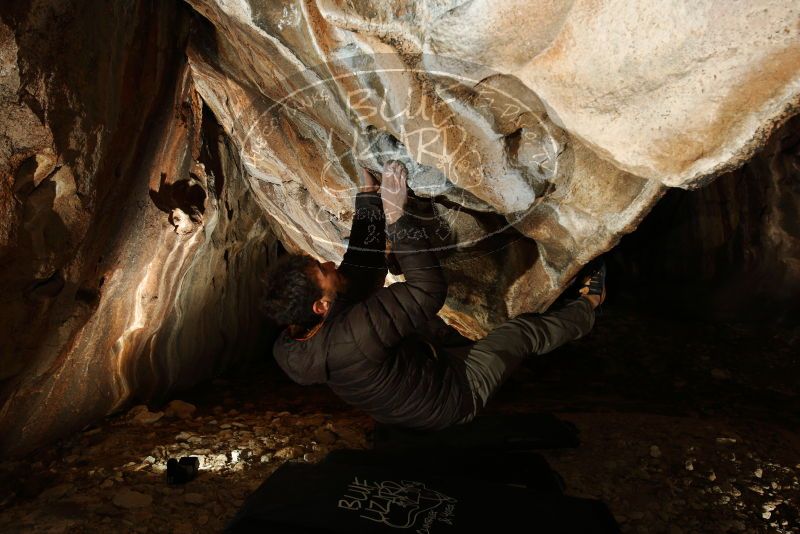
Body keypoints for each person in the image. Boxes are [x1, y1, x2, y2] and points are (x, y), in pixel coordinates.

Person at [261, 161, 605, 430]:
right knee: (516, 335)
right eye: (323, 272)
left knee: (433, 331)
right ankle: (588, 308)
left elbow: (360, 269)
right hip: (452, 399)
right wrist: (397, 219)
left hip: (412, 387)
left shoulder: (296, 339)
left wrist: (369, 201)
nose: (328, 263)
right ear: (320, 306)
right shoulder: (353, 337)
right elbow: (427, 291)